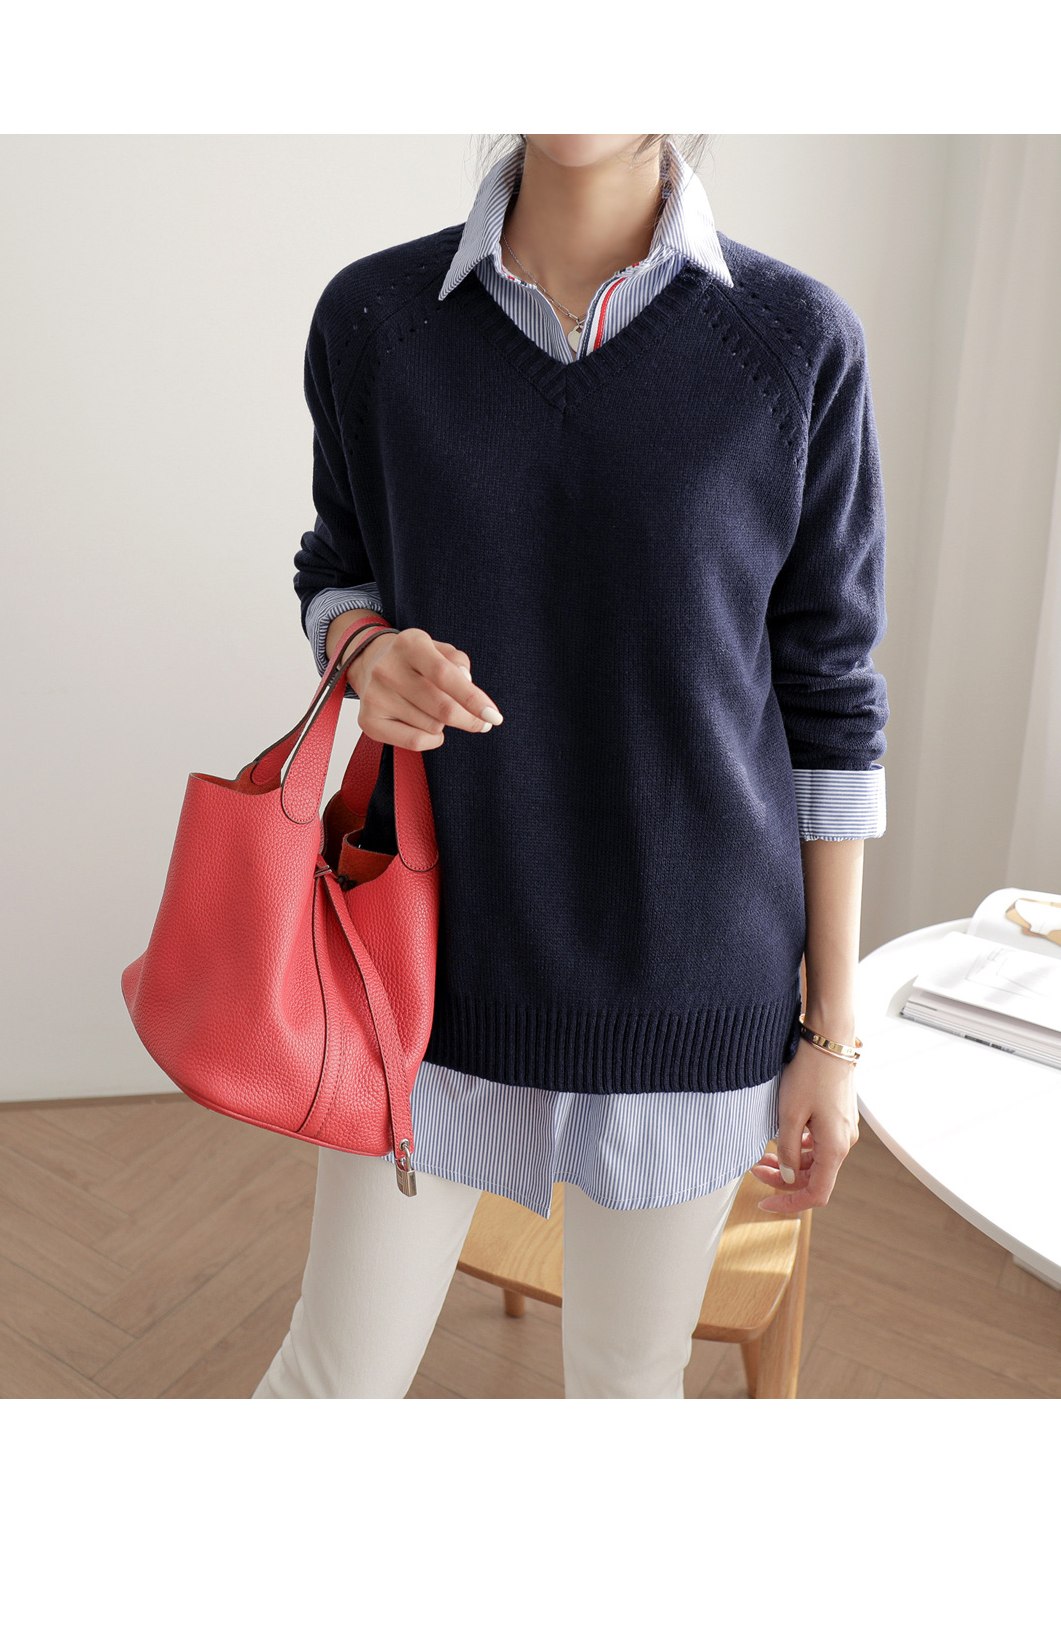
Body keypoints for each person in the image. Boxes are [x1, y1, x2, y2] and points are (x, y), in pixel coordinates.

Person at [252, 134, 889, 1399]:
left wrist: (832, 1027)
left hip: (691, 987)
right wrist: (365, 650)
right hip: (428, 969)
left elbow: (830, 698)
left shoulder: (796, 343)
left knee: (625, 1392)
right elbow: (337, 566)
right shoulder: (374, 321)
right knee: (331, 1382)